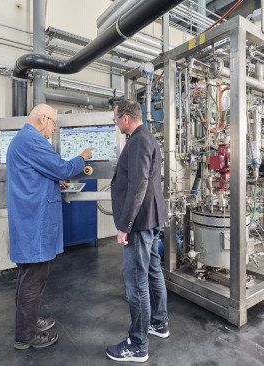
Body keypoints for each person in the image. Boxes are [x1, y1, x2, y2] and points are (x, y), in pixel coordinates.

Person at [6, 104, 94, 350]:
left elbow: (40, 173)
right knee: (35, 278)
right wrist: (82, 157)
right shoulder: (33, 141)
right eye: (54, 123)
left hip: (28, 219)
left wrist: (56, 181)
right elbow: (62, 168)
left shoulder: (23, 139)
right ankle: (26, 335)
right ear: (43, 118)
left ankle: (29, 321)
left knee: (27, 276)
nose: (55, 128)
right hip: (34, 221)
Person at [106, 100, 169, 363]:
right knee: (153, 271)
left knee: (136, 282)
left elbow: (139, 185)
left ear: (125, 118)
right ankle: (159, 322)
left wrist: (124, 226)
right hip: (150, 220)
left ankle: (138, 344)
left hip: (140, 223)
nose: (116, 124)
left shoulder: (139, 140)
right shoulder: (144, 137)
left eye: (115, 120)